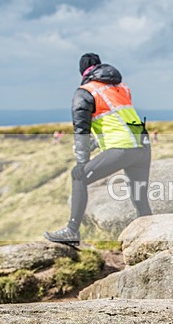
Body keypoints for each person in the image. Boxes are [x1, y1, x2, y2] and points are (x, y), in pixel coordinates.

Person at [44, 53, 152, 246]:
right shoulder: (121, 87)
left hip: (122, 148)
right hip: (142, 147)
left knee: (78, 176)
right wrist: (95, 145)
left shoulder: (85, 92)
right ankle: (150, 239)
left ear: (82, 71)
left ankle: (71, 230)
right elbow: (116, 123)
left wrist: (81, 162)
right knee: (140, 201)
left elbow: (81, 131)